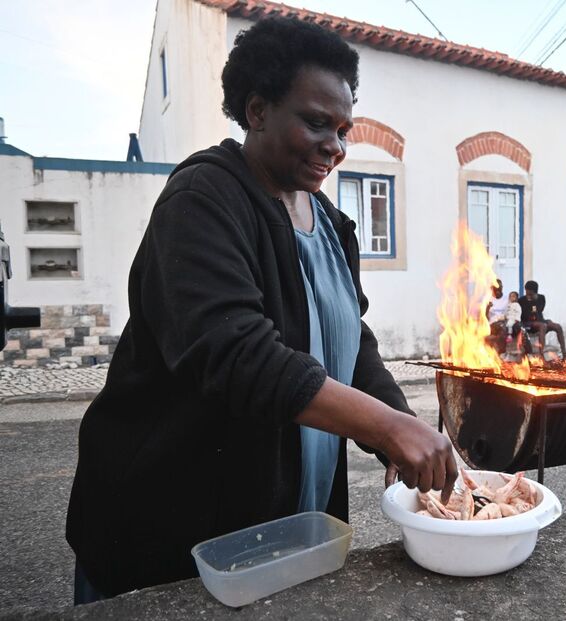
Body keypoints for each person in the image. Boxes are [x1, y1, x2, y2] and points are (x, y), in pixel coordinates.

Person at [66, 17, 457, 603]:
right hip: (171, 540)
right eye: (316, 122)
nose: (335, 145)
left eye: (344, 129)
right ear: (256, 111)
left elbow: (351, 342)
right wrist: (388, 426)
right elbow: (238, 354)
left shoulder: (330, 223)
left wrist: (405, 429)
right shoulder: (203, 201)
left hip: (284, 536)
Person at [518, 280, 566, 360]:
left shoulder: (541, 298)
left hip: (540, 320)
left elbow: (540, 309)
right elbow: (523, 315)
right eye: (526, 290)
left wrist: (534, 302)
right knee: (543, 326)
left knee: (557, 326)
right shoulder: (521, 300)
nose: (527, 292)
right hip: (528, 323)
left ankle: (564, 354)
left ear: (534, 291)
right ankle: (541, 355)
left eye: (529, 291)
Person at [485, 279, 508, 353]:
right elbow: (485, 317)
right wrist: (487, 308)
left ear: (502, 288)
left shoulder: (507, 299)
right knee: (501, 328)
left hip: (504, 322)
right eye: (495, 289)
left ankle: (500, 351)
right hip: (493, 323)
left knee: (504, 327)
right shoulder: (488, 299)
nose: (497, 291)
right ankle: (501, 352)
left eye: (499, 289)